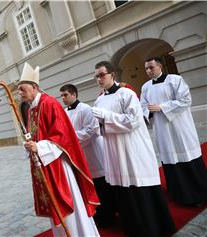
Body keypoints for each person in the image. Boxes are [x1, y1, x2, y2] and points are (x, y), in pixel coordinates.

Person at [92, 61, 176, 237]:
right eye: (96, 76)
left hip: (132, 149)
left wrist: (105, 116)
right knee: (123, 191)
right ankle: (133, 226)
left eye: (102, 75)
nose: (99, 79)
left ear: (112, 75)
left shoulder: (126, 94)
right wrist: (99, 122)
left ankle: (151, 227)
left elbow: (134, 121)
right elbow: (99, 127)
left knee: (138, 187)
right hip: (114, 151)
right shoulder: (99, 99)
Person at [19, 63, 100, 237]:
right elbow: (34, 135)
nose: (20, 94)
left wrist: (39, 147)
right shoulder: (32, 108)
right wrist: (30, 145)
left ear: (34, 87)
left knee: (69, 209)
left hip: (58, 165)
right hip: (45, 163)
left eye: (22, 89)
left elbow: (61, 135)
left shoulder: (49, 104)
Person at [141, 56, 207, 206]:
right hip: (162, 130)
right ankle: (179, 195)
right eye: (146, 68)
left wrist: (162, 107)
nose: (148, 71)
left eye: (151, 67)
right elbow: (142, 106)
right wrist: (148, 111)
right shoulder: (145, 87)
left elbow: (186, 100)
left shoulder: (175, 80)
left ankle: (199, 194)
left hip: (180, 128)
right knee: (171, 162)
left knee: (187, 158)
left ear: (160, 66)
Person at [59, 84, 116, 227]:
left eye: (65, 95)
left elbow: (91, 131)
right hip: (76, 155)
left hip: (92, 153)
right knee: (86, 186)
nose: (63, 98)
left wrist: (71, 139)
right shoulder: (64, 112)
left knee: (101, 186)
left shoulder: (85, 109)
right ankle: (95, 214)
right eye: (62, 96)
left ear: (74, 94)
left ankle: (108, 215)